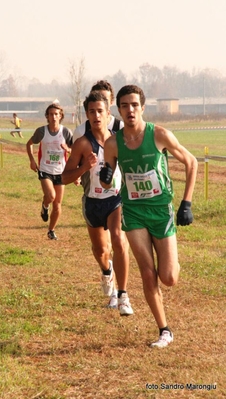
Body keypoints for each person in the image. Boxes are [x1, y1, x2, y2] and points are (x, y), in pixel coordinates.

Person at [100, 84, 198, 347]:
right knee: (146, 272)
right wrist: (105, 177)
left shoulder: (160, 135)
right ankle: (164, 330)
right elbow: (108, 182)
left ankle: (173, 261)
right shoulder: (113, 144)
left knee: (168, 277)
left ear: (142, 107)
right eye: (124, 105)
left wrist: (186, 203)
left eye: (134, 105)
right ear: (118, 110)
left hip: (160, 210)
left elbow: (191, 162)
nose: (130, 110)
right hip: (133, 212)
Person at [62, 91, 133, 315]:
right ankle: (106, 270)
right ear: (87, 114)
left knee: (119, 240)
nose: (96, 116)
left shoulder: (118, 140)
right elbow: (64, 177)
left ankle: (122, 296)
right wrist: (85, 167)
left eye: (100, 111)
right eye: (91, 111)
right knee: (101, 250)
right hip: (93, 202)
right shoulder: (83, 144)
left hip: (115, 199)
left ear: (108, 112)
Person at [26, 103, 73, 240]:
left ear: (60, 116)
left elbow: (75, 151)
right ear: (47, 116)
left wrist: (68, 149)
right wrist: (32, 160)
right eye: (51, 114)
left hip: (60, 171)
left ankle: (51, 230)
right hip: (45, 169)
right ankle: (45, 205)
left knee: (58, 205)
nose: (54, 117)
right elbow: (29, 144)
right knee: (51, 196)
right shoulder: (41, 131)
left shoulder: (66, 132)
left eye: (56, 114)